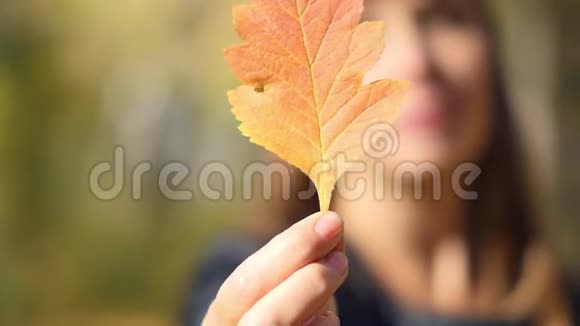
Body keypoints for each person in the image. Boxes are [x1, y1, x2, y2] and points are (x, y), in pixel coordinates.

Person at [184, 0, 579, 325]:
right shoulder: (261, 282)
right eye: (362, 28)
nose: (417, 61)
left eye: (446, 16)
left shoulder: (561, 301)